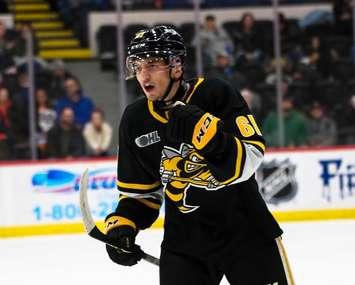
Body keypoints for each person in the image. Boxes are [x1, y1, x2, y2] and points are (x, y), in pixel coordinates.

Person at [104, 26, 293, 285]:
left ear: (177, 66)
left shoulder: (215, 94)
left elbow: (250, 159)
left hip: (247, 234)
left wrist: (209, 136)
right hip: (185, 244)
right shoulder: (135, 120)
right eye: (137, 66)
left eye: (152, 65)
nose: (143, 74)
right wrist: (125, 224)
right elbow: (141, 193)